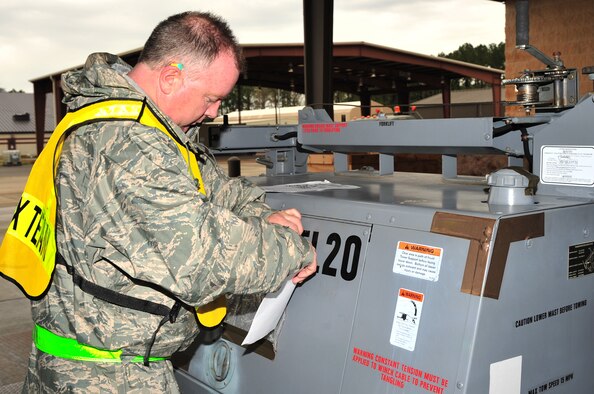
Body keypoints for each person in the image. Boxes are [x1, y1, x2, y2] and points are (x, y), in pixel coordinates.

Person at [21, 11, 317, 393]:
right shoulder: (125, 144)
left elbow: (216, 189)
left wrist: (265, 215)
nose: (214, 111)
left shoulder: (148, 128)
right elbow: (203, 259)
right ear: (171, 77)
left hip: (116, 366)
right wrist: (294, 250)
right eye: (211, 98)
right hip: (102, 377)